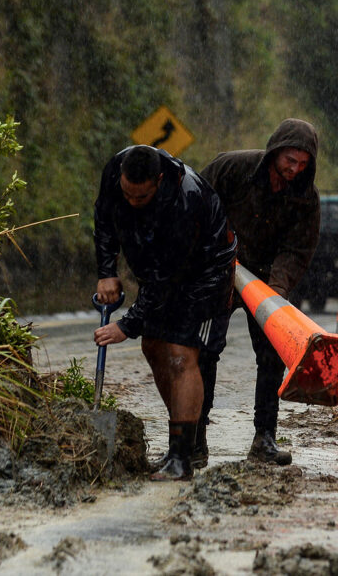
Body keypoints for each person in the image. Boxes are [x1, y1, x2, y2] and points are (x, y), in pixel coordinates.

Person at [93, 145, 237, 481]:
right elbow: (104, 218)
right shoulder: (116, 171)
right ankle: (187, 444)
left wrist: (126, 325)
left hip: (206, 274)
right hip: (161, 271)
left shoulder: (185, 200)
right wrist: (106, 270)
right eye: (127, 193)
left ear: (158, 181)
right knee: (153, 346)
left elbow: (165, 278)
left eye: (140, 198)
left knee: (180, 354)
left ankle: (181, 460)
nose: (132, 201)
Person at [198, 119, 321, 467]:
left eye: (302, 164)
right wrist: (207, 252)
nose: (294, 169)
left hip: (267, 280)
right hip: (219, 270)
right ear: (275, 151)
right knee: (205, 351)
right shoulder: (232, 167)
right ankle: (196, 435)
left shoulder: (306, 198)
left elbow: (299, 249)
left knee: (271, 357)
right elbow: (195, 203)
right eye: (289, 160)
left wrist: (276, 291)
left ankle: (264, 437)